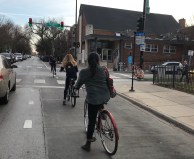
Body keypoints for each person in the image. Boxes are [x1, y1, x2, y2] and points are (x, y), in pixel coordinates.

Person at [74, 53, 110, 152]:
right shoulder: (103, 70)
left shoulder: (84, 72)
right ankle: (102, 111)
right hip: (105, 95)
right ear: (98, 60)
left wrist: (75, 88)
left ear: (88, 61)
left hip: (93, 99)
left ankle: (88, 144)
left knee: (91, 121)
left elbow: (78, 84)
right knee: (100, 100)